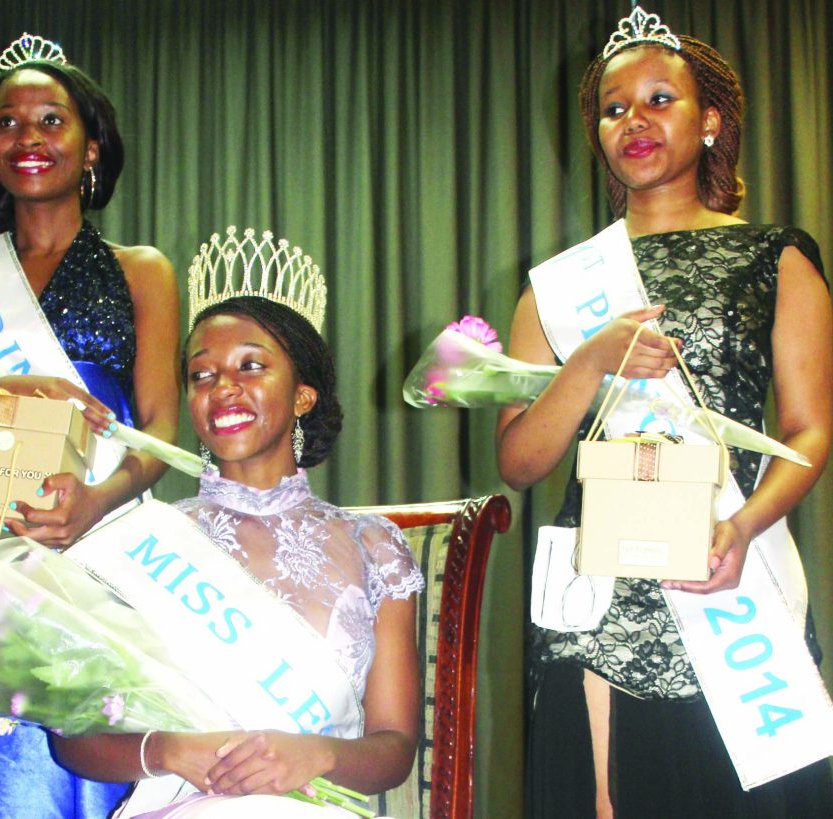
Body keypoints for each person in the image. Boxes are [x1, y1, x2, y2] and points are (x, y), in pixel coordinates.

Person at [496, 7, 832, 818]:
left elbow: (810, 429)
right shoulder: (561, 286)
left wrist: (745, 526)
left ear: (710, 120)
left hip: (731, 585)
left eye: (658, 100)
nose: (634, 121)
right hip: (599, 610)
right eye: (614, 108)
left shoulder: (773, 256)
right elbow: (519, 461)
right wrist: (589, 360)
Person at [0, 33, 180, 817]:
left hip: (94, 536)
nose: (29, 137)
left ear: (90, 147)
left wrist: (98, 501)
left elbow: (159, 432)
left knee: (75, 753)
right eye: (9, 124)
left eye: (52, 119)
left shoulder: (143, 270)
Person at [51, 231, 424, 817]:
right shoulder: (137, 543)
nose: (224, 388)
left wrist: (316, 755)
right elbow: (74, 739)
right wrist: (169, 749)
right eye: (202, 375)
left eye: (251, 366)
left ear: (303, 395)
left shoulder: (374, 547)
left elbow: (395, 749)